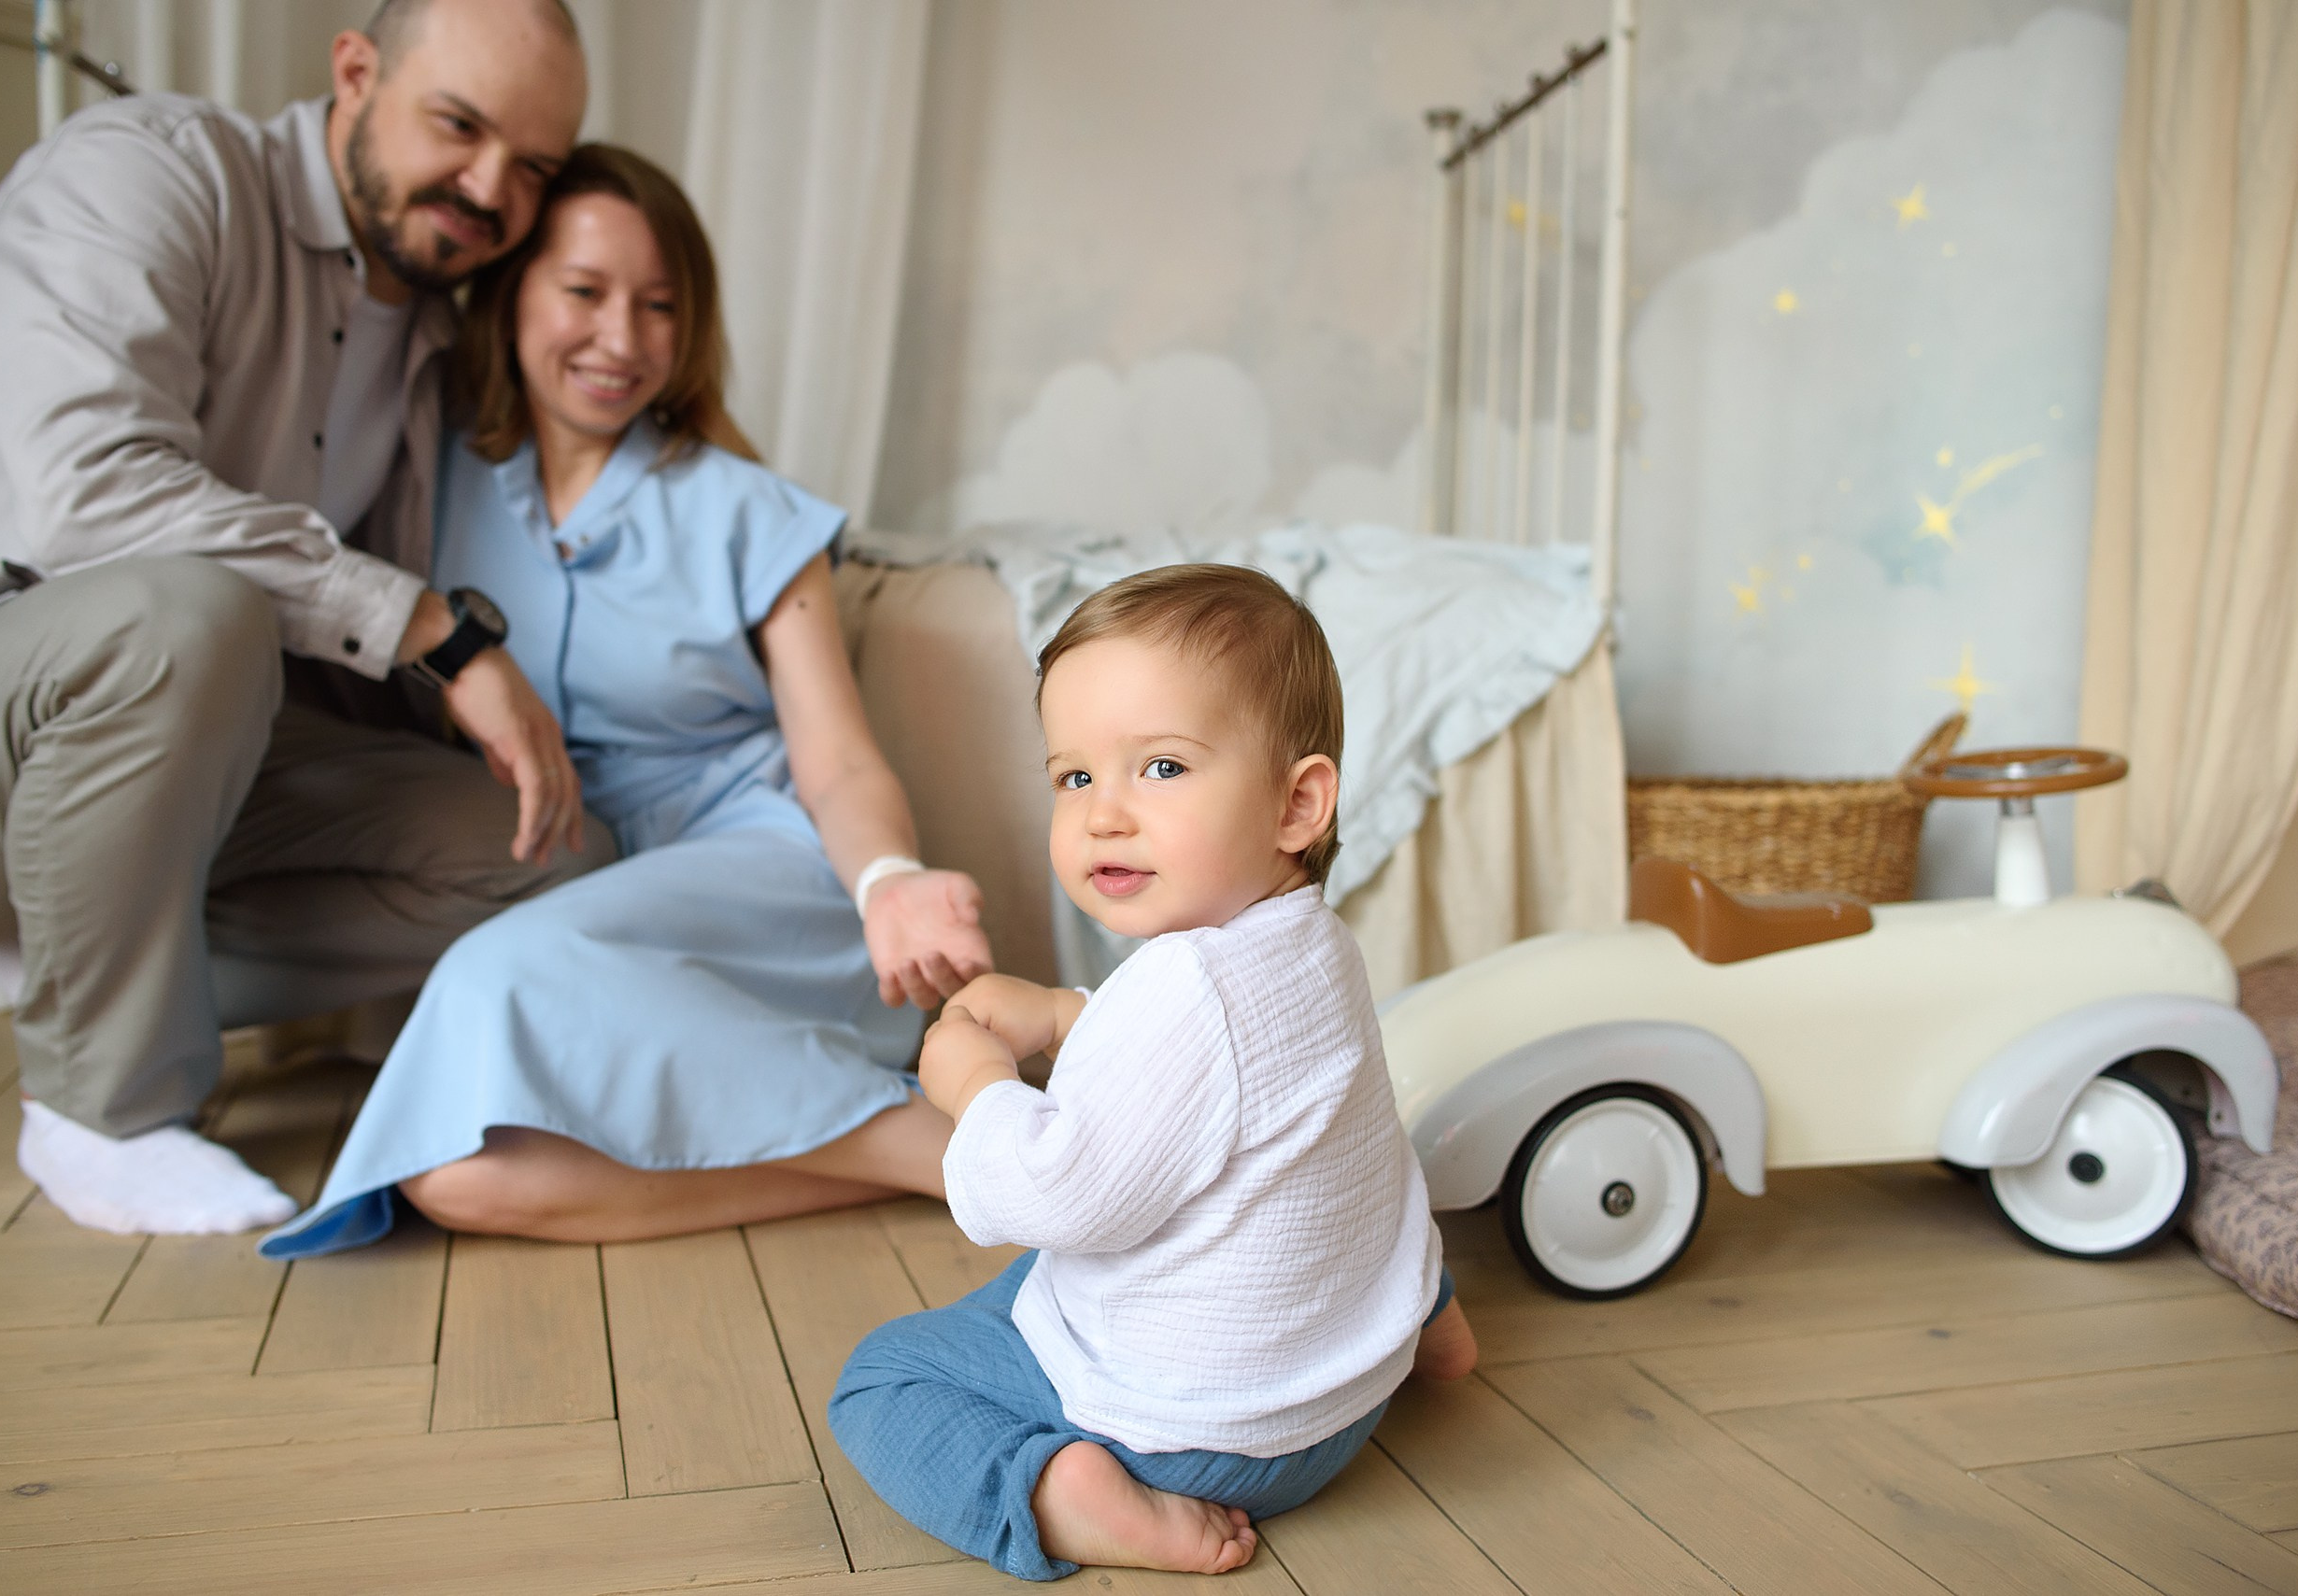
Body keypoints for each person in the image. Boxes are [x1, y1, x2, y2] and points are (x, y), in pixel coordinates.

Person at [0, 0, 607, 1236]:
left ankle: (77, 964)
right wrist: (442, 637)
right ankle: (100, 1107)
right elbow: (98, 495)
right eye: (458, 123)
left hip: (172, 754)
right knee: (189, 614)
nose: (489, 186)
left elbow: (330, 655)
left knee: (550, 848)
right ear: (354, 72)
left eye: (535, 167)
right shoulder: (146, 167)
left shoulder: (436, 331)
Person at [259, 145, 994, 1260]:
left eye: (660, 306)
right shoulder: (433, 482)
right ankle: (922, 1156)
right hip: (578, 892)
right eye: (586, 292)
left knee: (500, 971)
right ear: (512, 295)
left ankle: (964, 1162)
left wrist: (889, 882)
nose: (622, 338)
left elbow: (836, 761)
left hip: (762, 880)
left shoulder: (751, 513)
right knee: (454, 1175)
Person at [827, 566, 1480, 1581]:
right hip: (1345, 1387)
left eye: (1161, 768)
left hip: (1197, 1434)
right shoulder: (1309, 942)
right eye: (1074, 776)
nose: (1102, 815)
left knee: (885, 1379)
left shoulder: (1188, 984)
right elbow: (1234, 1083)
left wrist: (975, 1085)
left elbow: (1055, 1194)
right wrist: (1065, 1015)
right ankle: (1432, 1323)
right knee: (1346, 1151)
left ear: (1297, 802)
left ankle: (1061, 1493)